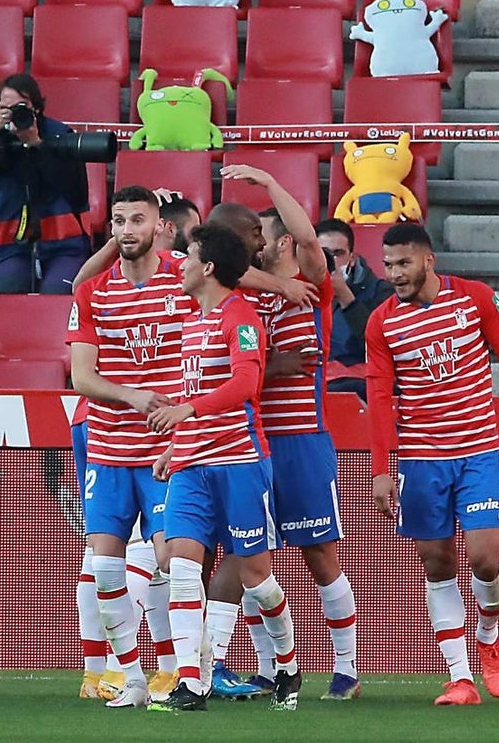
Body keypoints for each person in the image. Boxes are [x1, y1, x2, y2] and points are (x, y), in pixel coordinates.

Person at [366, 222, 499, 706]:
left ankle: (488, 635)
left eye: (403, 263)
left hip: (477, 452)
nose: (394, 274)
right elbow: (380, 399)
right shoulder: (382, 322)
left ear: (428, 260)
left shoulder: (476, 298)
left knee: (485, 557)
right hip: (422, 459)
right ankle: (459, 677)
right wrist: (381, 468)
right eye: (387, 265)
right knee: (437, 562)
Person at [146, 224, 301, 713]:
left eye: (188, 256)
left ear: (208, 267)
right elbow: (197, 394)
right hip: (193, 465)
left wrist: (187, 414)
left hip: (239, 462)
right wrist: (178, 444)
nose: (182, 265)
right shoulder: (193, 322)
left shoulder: (242, 316)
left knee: (257, 576)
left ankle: (288, 664)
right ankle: (193, 682)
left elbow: (247, 382)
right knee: (183, 568)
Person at [224, 165, 361, 701]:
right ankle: (267, 666)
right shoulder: (247, 294)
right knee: (253, 558)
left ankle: (346, 668)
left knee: (319, 556)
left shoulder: (313, 285)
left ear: (278, 241)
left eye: (262, 237)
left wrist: (268, 179)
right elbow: (223, 269)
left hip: (303, 437)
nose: (255, 247)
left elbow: (306, 236)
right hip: (252, 440)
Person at [66, 184, 198, 709]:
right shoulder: (93, 292)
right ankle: (132, 677)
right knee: (103, 568)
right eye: (119, 220)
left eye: (137, 220)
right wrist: (133, 396)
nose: (126, 230)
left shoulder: (186, 279)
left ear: (159, 226)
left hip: (168, 447)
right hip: (107, 445)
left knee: (172, 559)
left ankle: (186, 668)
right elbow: (82, 377)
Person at [0, 73, 90, 294]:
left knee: (56, 292)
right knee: (10, 288)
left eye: (22, 106)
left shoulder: (60, 135)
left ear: (36, 108)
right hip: (7, 245)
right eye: (7, 107)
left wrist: (36, 144)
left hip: (64, 243)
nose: (16, 113)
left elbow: (76, 191)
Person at [315, 217, 394, 400]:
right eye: (324, 253)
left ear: (351, 258)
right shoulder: (298, 290)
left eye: (338, 253)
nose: (331, 260)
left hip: (360, 384)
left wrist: (345, 296)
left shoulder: (380, 291)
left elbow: (381, 346)